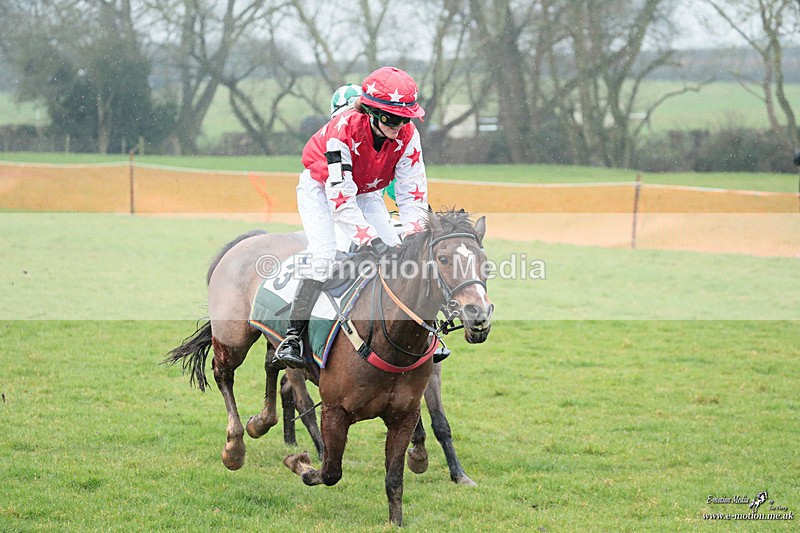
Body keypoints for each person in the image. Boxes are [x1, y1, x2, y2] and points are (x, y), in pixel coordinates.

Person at [274, 66, 430, 369]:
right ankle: (293, 337)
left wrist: (412, 236)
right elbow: (340, 200)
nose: (399, 126)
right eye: (390, 118)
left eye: (405, 118)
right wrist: (368, 240)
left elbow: (413, 195)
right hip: (322, 189)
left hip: (366, 191)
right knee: (324, 256)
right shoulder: (342, 130)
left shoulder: (409, 135)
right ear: (370, 111)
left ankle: (417, 333)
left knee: (402, 254)